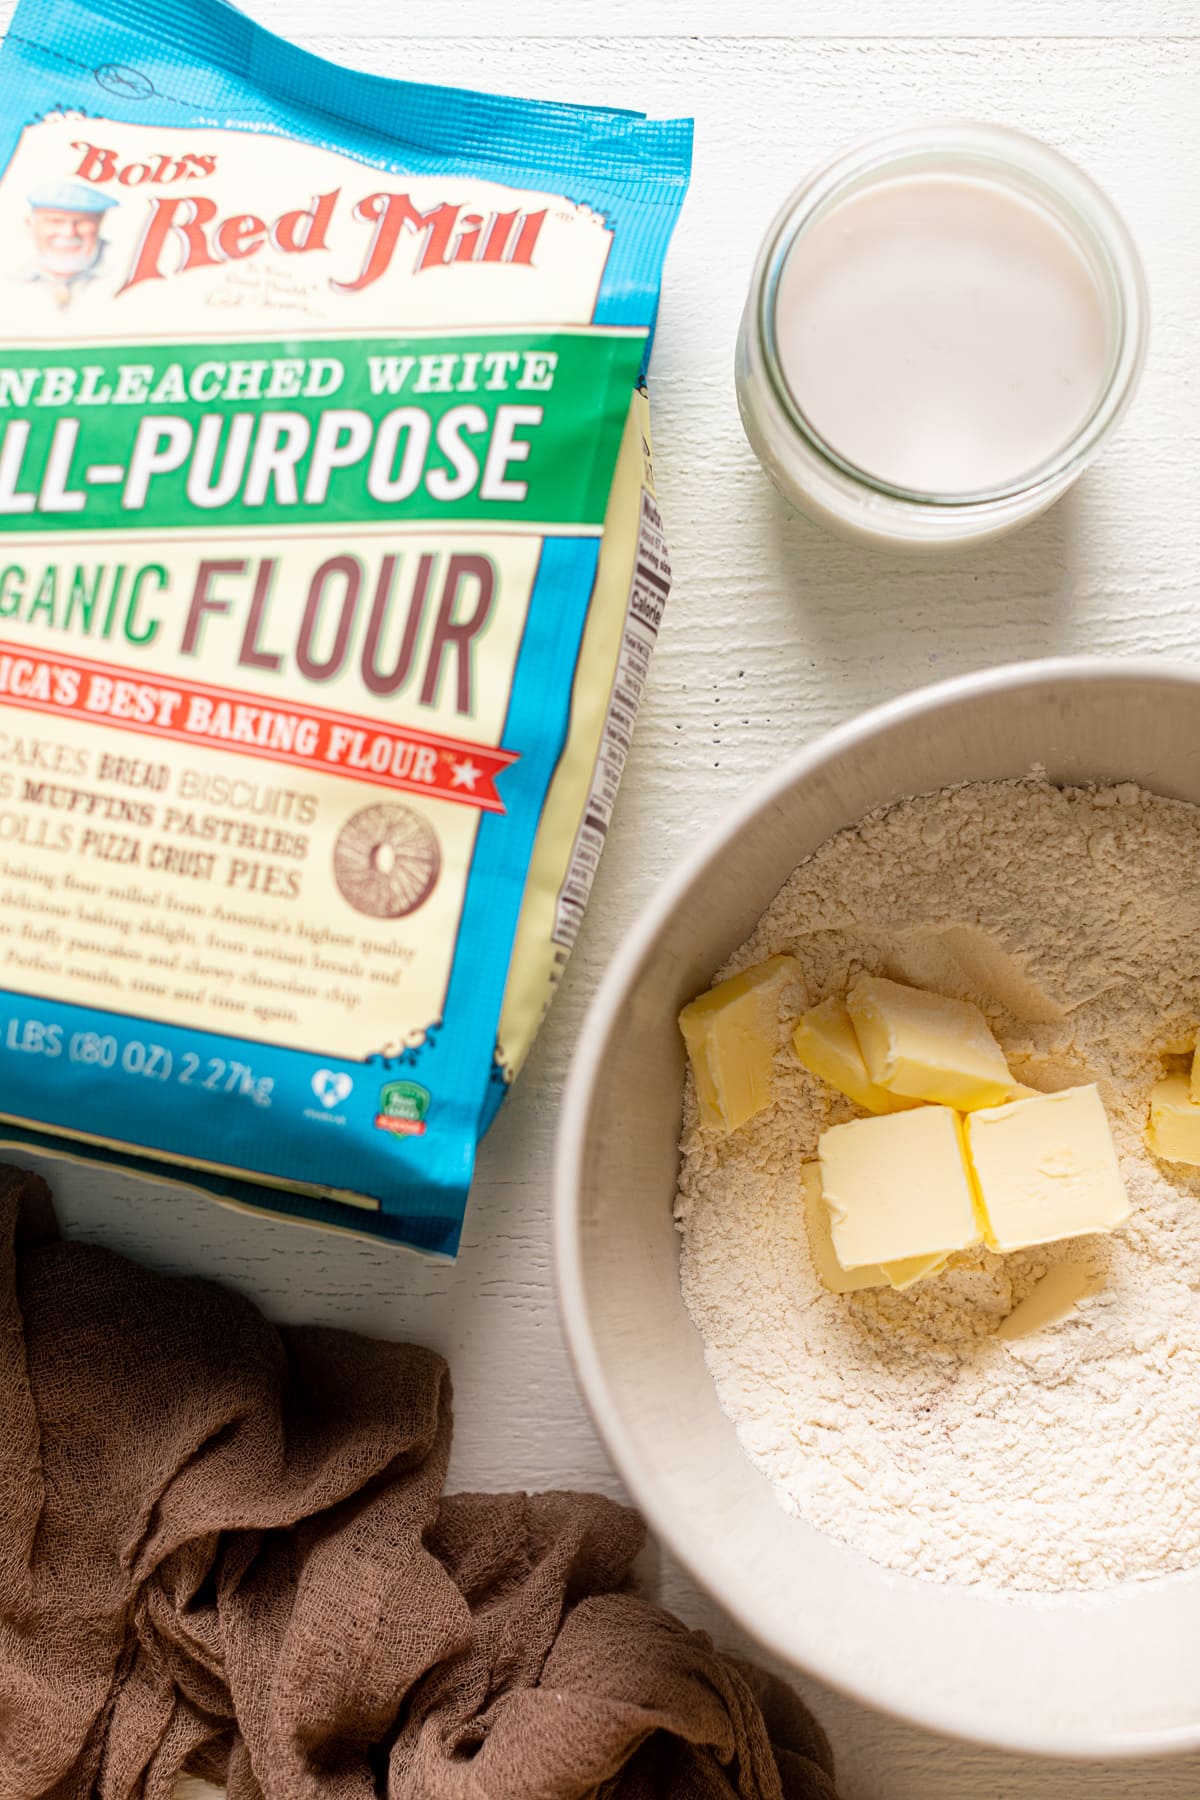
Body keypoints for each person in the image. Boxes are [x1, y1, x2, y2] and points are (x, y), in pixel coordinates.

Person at [22, 178, 118, 307]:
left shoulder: (122, 268)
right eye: (55, 221)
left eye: (82, 222)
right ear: (30, 225)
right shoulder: (11, 275)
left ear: (99, 224)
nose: (69, 233)